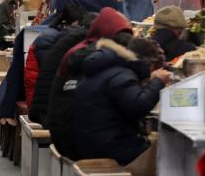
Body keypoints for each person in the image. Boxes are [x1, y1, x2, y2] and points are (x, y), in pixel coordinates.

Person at [46, 8, 135, 157]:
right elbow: (132, 103)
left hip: (62, 132)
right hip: (75, 140)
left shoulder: (80, 50)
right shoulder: (98, 56)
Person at [71, 36, 172, 165]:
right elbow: (138, 106)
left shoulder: (107, 69)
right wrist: (158, 82)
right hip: (111, 148)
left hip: (91, 142)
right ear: (147, 62)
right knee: (164, 157)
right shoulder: (122, 74)